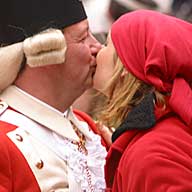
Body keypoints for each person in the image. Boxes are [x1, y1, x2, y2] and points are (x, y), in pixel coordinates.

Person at [0, 0, 108, 191]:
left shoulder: (86, 127)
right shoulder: (3, 142)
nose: (97, 47)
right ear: (45, 51)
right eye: (83, 38)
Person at [93, 10, 192, 191]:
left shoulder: (152, 154)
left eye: (107, 44)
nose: (97, 49)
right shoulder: (159, 137)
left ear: (123, 64)